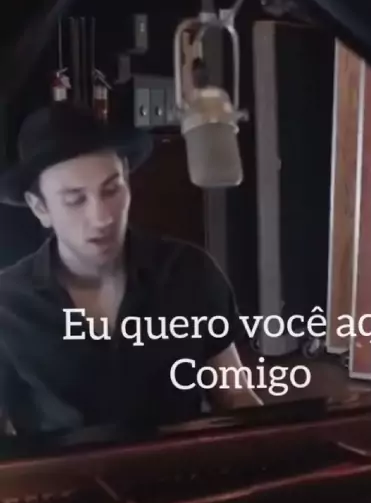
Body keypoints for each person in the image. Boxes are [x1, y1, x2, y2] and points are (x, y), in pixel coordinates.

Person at [0, 102, 262, 435]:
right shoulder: (7, 304)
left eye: (111, 189)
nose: (102, 218)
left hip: (182, 464)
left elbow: (234, 393)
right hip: (68, 469)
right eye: (75, 199)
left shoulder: (190, 272)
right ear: (40, 207)